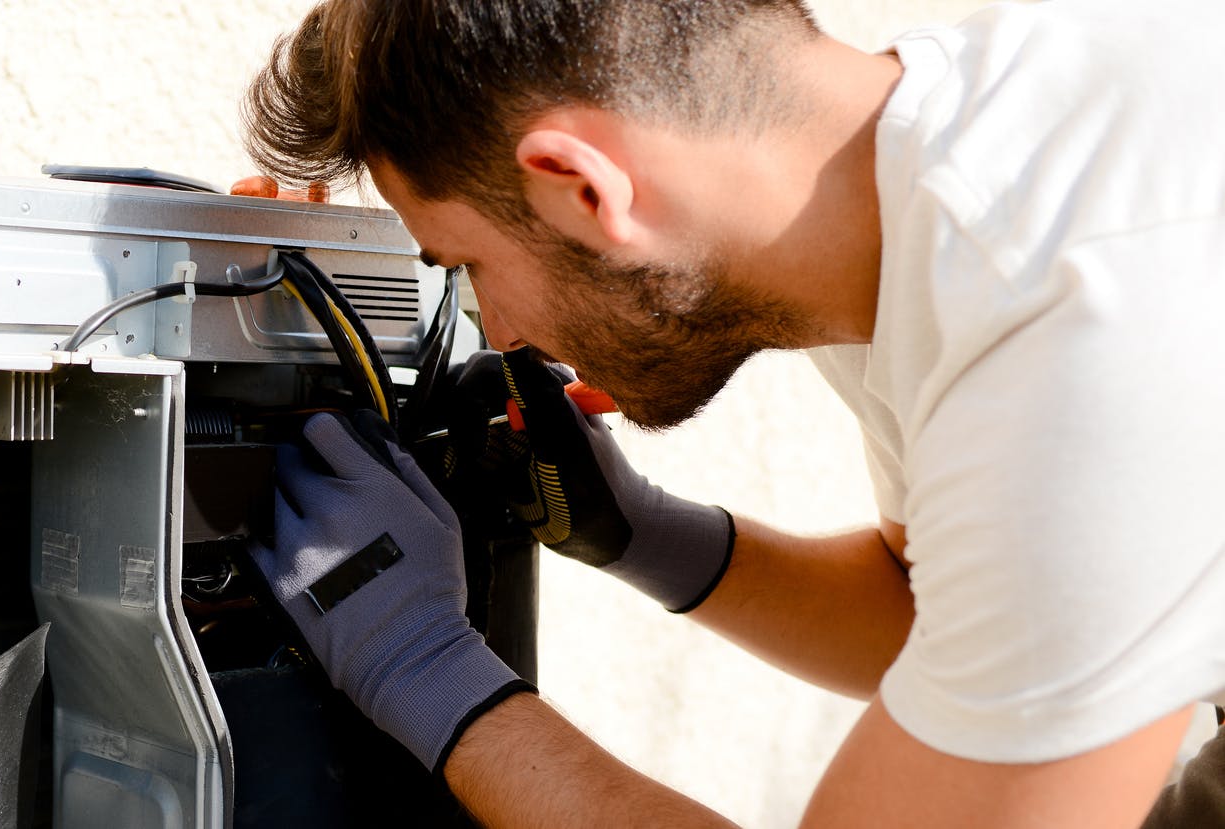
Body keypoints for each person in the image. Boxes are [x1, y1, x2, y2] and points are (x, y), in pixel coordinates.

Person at [238, 0, 1225, 826]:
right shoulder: (933, 189)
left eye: (468, 267)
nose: (499, 329)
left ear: (584, 187)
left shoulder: (1077, 324)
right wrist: (646, 538)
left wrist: (431, 674)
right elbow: (953, 615)